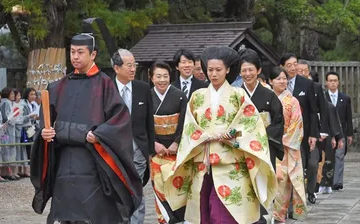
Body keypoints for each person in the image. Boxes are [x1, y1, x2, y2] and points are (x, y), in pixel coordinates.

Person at [30, 33, 143, 224]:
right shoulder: (58, 87)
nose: (75, 56)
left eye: (80, 52)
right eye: (72, 52)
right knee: (66, 216)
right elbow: (46, 124)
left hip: (93, 161)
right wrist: (44, 133)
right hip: (64, 163)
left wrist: (98, 135)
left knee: (96, 215)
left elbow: (120, 121)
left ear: (93, 55)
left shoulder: (105, 84)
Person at [162, 46, 277, 224]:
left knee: (223, 215)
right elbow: (189, 128)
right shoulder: (197, 96)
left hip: (230, 164)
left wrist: (230, 136)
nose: (213, 74)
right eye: (210, 70)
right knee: (204, 213)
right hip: (203, 163)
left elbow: (251, 126)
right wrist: (203, 136)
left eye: (218, 70)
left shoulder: (239, 95)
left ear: (228, 70)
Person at [239, 48, 284, 223]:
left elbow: (278, 122)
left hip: (264, 146)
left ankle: (263, 217)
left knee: (262, 183)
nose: (247, 73)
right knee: (243, 184)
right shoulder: (237, 95)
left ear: (258, 71)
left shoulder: (269, 95)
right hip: (241, 146)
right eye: (244, 70)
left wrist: (259, 137)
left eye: (251, 69)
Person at [112, 48, 155, 224]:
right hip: (114, 149)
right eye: (129, 65)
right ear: (116, 68)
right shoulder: (107, 88)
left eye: (134, 65)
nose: (132, 69)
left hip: (138, 147)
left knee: (135, 188)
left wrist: (150, 151)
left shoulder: (143, 88)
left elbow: (149, 122)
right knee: (117, 189)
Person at [148, 60, 188, 223]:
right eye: (158, 76)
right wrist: (154, 144)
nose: (162, 80)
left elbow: (185, 122)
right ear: (151, 78)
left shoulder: (179, 95)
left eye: (165, 76)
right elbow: (144, 123)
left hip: (176, 151)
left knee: (178, 186)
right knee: (160, 187)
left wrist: (177, 143)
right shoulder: (147, 95)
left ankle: (180, 218)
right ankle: (164, 219)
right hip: (157, 151)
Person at [269, 67, 307, 222]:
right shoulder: (265, 97)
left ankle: (279, 216)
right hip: (266, 145)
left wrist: (280, 140)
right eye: (278, 78)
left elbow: (297, 125)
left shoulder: (292, 101)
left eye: (284, 78)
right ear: (270, 81)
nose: (282, 81)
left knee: (283, 182)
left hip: (284, 148)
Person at [280, 53, 319, 204]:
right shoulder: (278, 83)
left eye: (295, 64)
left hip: (304, 132)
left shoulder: (306, 84)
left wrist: (314, 134)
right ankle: (290, 201)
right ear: (282, 66)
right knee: (290, 167)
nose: (293, 68)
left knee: (311, 164)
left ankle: (309, 191)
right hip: (284, 133)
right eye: (288, 65)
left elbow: (313, 111)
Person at [325, 71, 353, 191]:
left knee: (339, 156)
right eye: (330, 81)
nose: (332, 83)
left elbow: (348, 117)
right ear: (326, 82)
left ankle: (337, 182)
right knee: (328, 156)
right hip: (327, 131)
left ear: (338, 82)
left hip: (341, 131)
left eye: (335, 81)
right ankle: (327, 181)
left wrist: (350, 134)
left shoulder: (345, 98)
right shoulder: (323, 97)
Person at [0, 87, 19, 180]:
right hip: (6, 131)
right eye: (11, 94)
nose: (13, 96)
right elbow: (6, 116)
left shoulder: (6, 102)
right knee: (7, 150)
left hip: (7, 130)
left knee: (6, 150)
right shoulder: (6, 102)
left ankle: (7, 171)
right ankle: (7, 172)